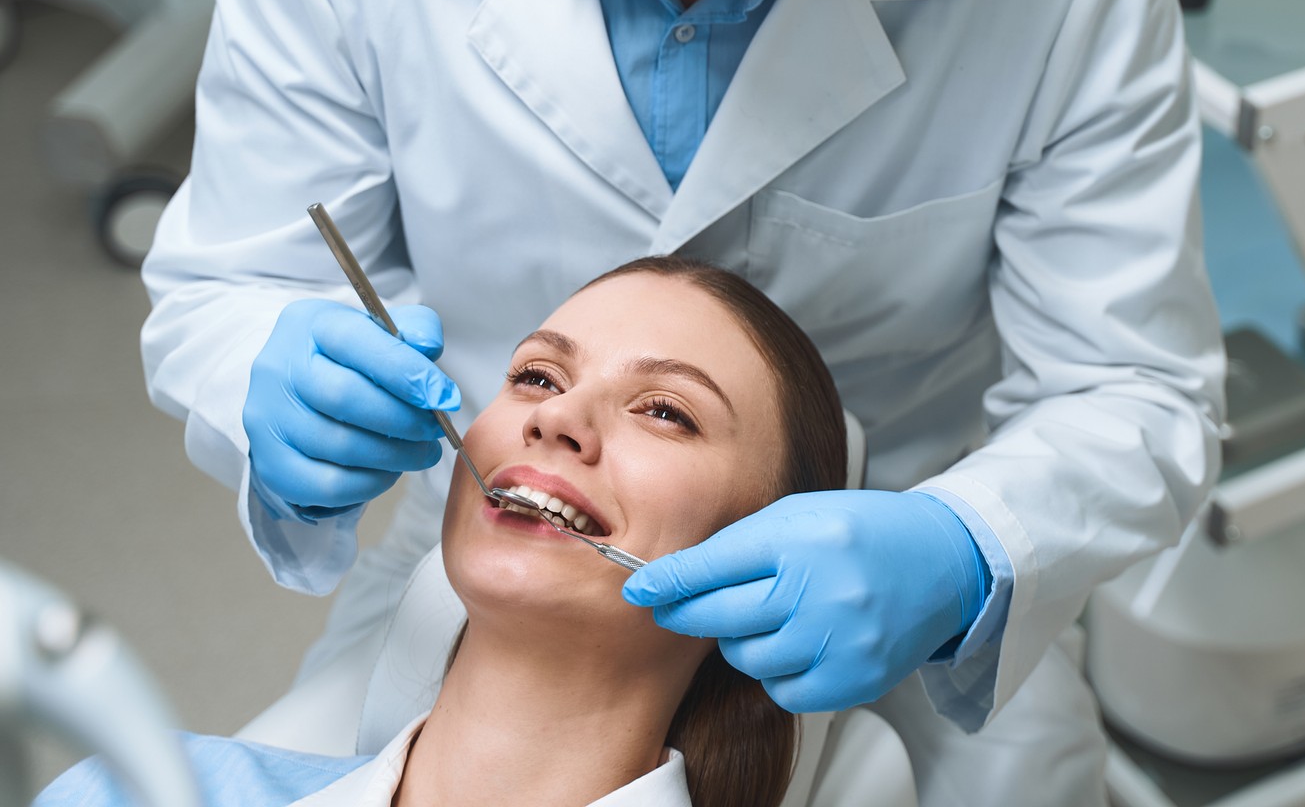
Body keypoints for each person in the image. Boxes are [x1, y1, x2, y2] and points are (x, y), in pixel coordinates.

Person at [140, 0, 1224, 804]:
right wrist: (273, 369)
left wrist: (965, 550)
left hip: (899, 632)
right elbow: (240, 279)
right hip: (492, 580)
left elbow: (1137, 388)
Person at [45, 257, 848, 806]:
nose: (557, 416)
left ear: (764, 565)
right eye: (537, 376)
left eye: (667, 412)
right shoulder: (133, 790)